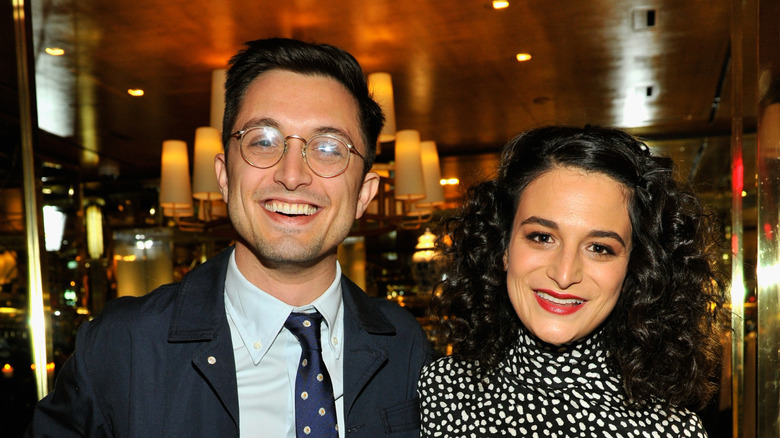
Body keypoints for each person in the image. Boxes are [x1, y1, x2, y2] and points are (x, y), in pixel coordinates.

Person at [27, 38, 433, 437]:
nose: (291, 175)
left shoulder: (407, 346)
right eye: (264, 141)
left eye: (329, 148)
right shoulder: (124, 346)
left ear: (364, 194)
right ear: (223, 176)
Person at [418, 125, 728, 437]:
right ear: (503, 247)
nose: (564, 275)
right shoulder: (441, 391)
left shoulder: (669, 431)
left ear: (635, 267)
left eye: (599, 248)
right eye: (542, 237)